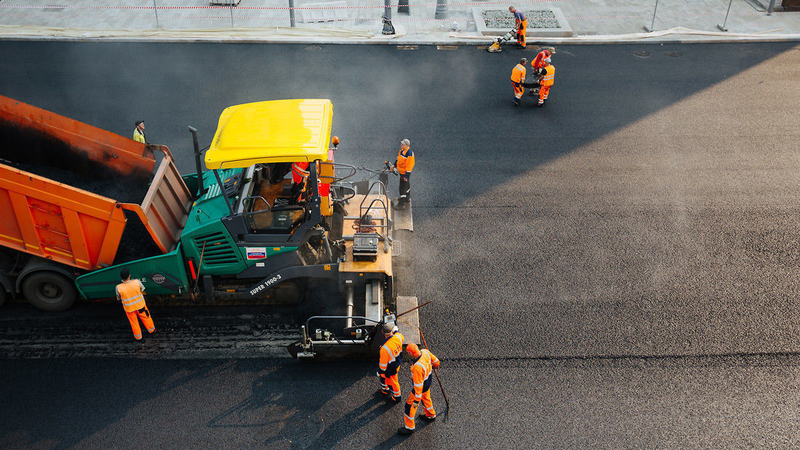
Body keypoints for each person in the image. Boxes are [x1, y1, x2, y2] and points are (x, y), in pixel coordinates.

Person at [397, 343, 440, 435]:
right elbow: (436, 362)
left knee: (409, 406)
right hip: (428, 382)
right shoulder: (425, 352)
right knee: (426, 398)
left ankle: (409, 427)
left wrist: (416, 400)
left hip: (421, 387)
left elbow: (418, 386)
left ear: (410, 353)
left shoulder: (417, 368)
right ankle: (431, 415)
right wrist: (435, 366)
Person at [115, 267, 155, 341]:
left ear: (121, 278)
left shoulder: (118, 287)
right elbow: (142, 289)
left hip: (129, 309)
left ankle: (138, 337)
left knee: (134, 322)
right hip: (140, 306)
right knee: (146, 318)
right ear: (129, 276)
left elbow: (118, 298)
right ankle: (152, 330)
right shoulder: (137, 282)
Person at [377, 323, 405, 402]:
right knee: (387, 378)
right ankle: (385, 389)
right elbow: (400, 335)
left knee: (392, 381)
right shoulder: (398, 337)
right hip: (397, 362)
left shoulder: (384, 348)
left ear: (383, 332)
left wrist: (379, 371)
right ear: (392, 331)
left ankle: (397, 396)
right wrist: (395, 330)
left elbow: (383, 365)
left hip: (390, 367)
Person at [389, 139, 414, 209]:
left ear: (407, 145)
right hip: (402, 172)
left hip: (404, 173)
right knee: (407, 185)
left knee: (402, 188)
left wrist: (406, 176)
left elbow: (409, 166)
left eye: (402, 144)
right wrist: (394, 165)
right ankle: (407, 198)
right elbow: (398, 159)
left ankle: (401, 205)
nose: (401, 145)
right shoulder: (402, 151)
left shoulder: (409, 154)